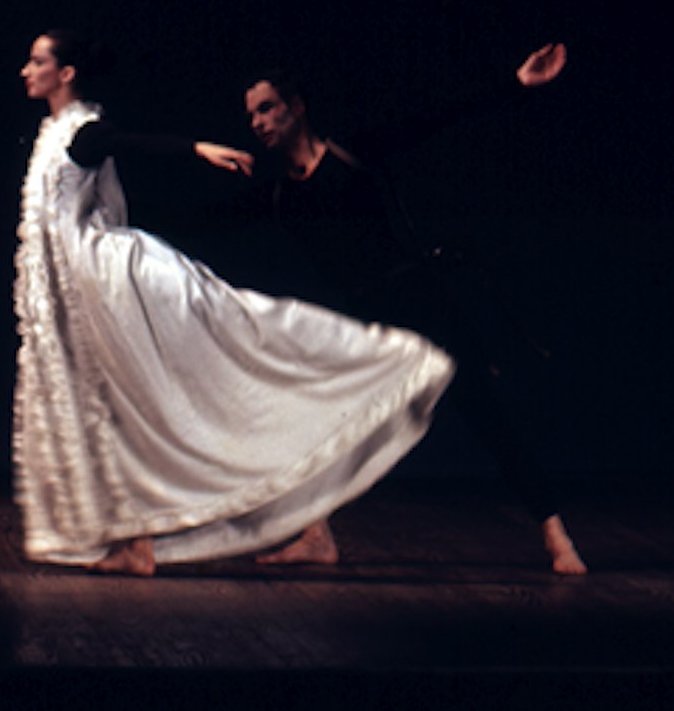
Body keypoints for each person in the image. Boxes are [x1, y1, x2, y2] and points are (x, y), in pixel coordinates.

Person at [11, 30, 454, 575]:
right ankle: (276, 532)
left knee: (171, 396)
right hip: (85, 291)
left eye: (37, 61)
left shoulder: (83, 131)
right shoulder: (55, 135)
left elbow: (127, 142)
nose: (26, 70)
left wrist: (196, 149)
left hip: (111, 282)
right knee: (125, 409)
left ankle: (149, 543)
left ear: (67, 73)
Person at [241, 45, 588, 575]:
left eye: (266, 108)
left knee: (484, 412)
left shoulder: (350, 153)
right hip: (368, 327)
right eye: (251, 115)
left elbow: (435, 120)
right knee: (313, 417)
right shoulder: (280, 196)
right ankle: (317, 535)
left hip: (422, 306)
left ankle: (556, 536)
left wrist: (515, 84)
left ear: (297, 106)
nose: (258, 123)